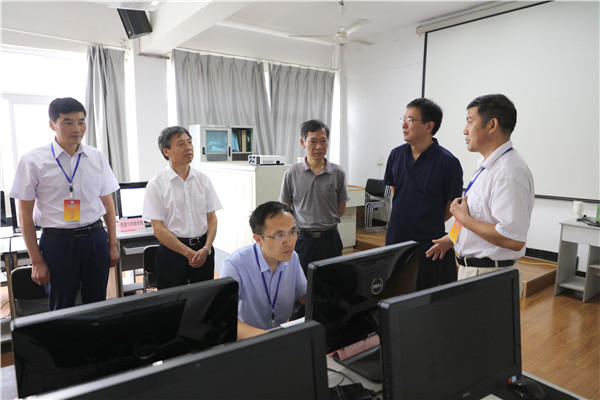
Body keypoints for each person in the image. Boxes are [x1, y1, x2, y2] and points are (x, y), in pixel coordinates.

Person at [10, 97, 120, 310]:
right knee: (61, 306)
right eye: (68, 122)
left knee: (97, 303)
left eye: (81, 122)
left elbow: (108, 204)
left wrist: (112, 244)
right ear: (52, 125)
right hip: (57, 242)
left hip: (95, 237)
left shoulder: (96, 156)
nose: (77, 129)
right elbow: (25, 216)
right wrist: (36, 261)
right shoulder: (33, 160)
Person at [426, 94, 534, 288]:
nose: (465, 130)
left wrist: (465, 219)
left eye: (470, 121)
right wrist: (453, 238)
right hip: (476, 272)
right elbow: (481, 215)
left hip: (490, 277)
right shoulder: (488, 166)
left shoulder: (508, 172)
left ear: (492, 125)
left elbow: (512, 239)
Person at [384, 98, 463, 290]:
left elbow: (452, 207)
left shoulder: (448, 162)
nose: (404, 124)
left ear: (429, 126)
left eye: (410, 120)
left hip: (428, 243)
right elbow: (396, 191)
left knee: (424, 294)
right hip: (396, 237)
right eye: (403, 119)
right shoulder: (395, 155)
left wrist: (425, 220)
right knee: (393, 291)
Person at [280, 119, 347, 318]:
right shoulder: (292, 173)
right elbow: (285, 209)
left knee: (331, 286)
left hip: (330, 239)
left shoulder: (337, 172)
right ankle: (300, 325)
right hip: (303, 241)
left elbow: (341, 207)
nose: (319, 146)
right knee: (300, 287)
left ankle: (329, 324)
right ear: (303, 142)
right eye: (313, 141)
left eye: (323, 141)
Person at [143, 126, 222, 289]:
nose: (188, 147)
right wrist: (188, 253)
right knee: (173, 301)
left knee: (204, 299)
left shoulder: (203, 180)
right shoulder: (157, 184)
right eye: (181, 144)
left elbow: (212, 218)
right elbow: (158, 229)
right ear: (166, 151)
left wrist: (207, 248)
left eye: (189, 142)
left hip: (203, 250)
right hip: (173, 252)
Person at [220, 201, 307, 339]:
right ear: (258, 239)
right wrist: (268, 339)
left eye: (292, 232)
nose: (289, 242)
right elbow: (224, 319)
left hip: (281, 335)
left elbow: (304, 296)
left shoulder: (292, 258)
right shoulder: (235, 265)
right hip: (249, 339)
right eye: (279, 235)